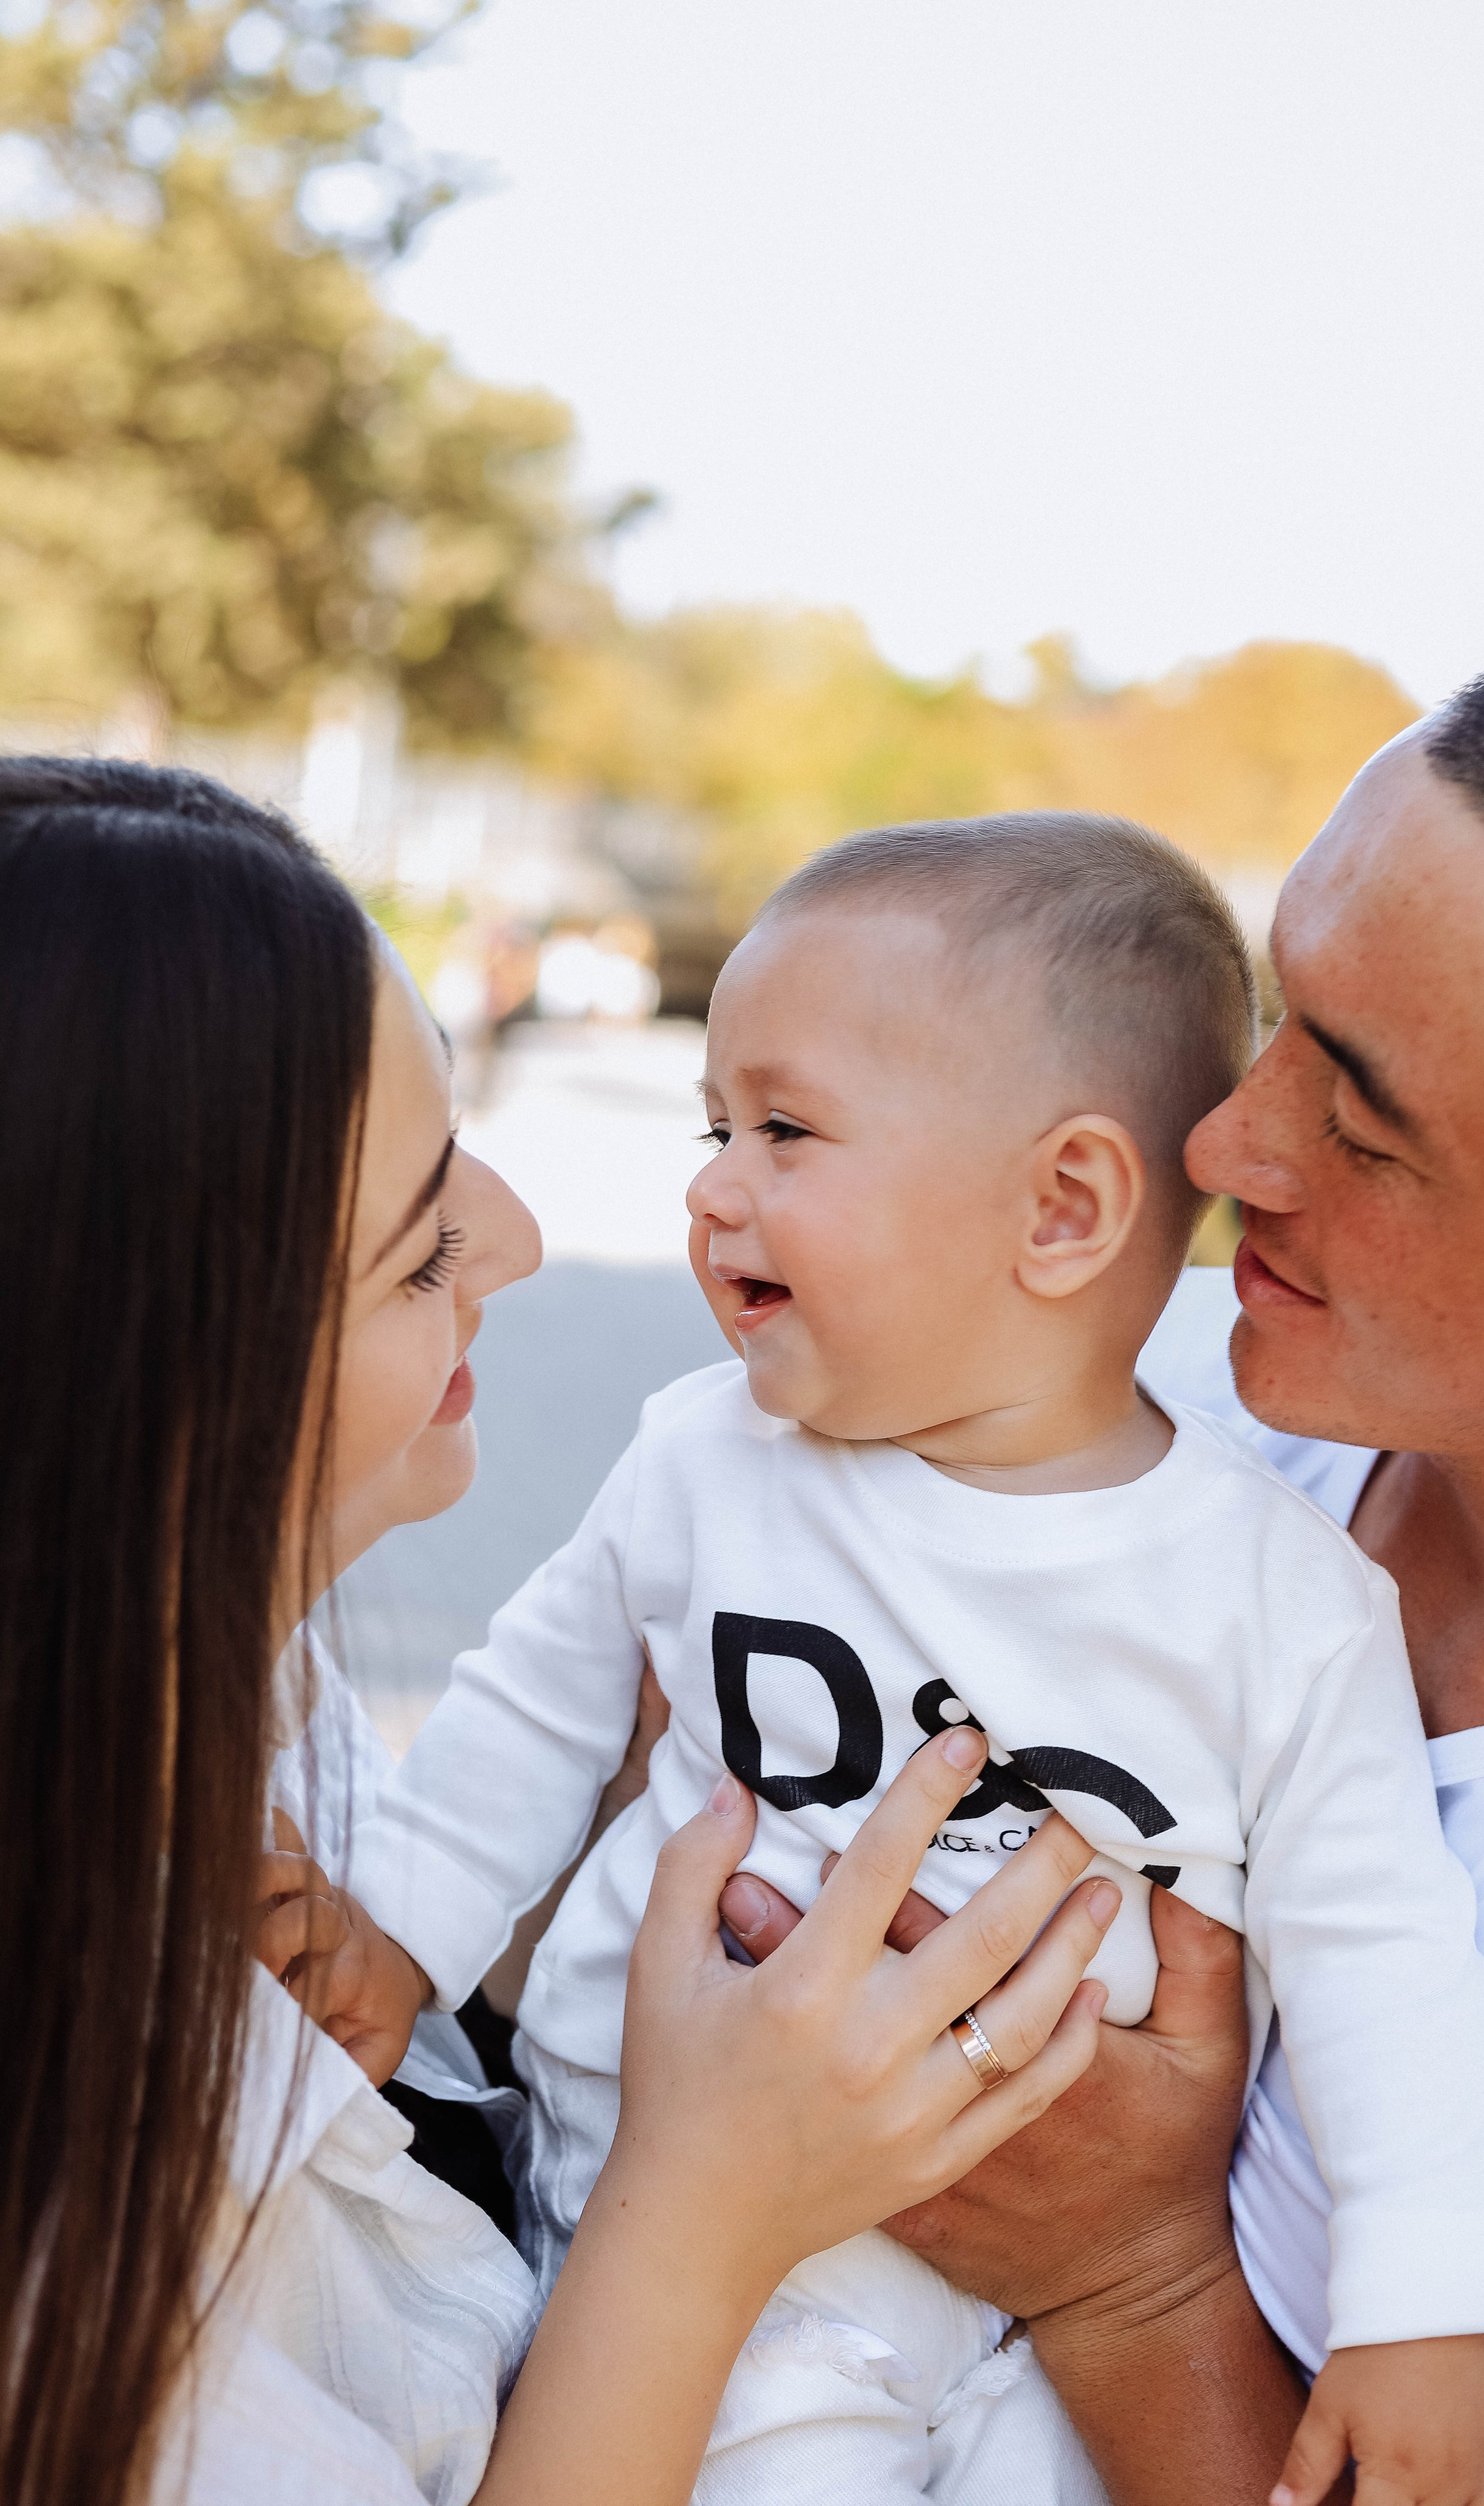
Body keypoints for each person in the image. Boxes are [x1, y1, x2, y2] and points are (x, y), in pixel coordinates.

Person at [338, 814, 1484, 2506]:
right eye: (711, 1125)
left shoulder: (1281, 1595)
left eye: (783, 1128)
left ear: (1061, 1207)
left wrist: (1424, 2310)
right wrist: (392, 1936)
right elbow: (533, 1706)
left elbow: (1384, 1953)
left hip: (1036, 2316)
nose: (709, 1184)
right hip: (718, 2259)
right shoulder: (704, 1462)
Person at [0, 755, 1113, 2506]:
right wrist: (707, 2212)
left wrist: (590, 1887)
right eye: (417, 1238)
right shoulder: (72, 2230)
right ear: (152, 1390)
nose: (513, 1240)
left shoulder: (220, 1691)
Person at [721, 624, 1484, 2506]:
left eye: (1366, 1121)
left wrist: (1125, 2279)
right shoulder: (1090, 1399)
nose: (1226, 1142)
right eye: (1280, 1017)